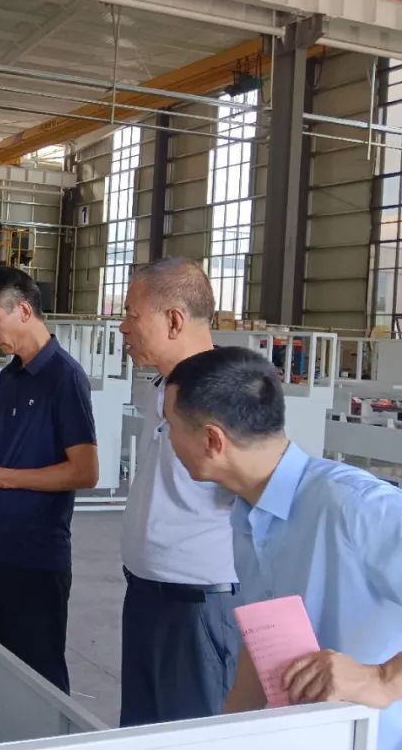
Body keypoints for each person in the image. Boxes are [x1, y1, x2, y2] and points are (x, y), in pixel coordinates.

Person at [163, 347, 402, 749]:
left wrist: (381, 679)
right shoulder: (247, 516)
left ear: (212, 440)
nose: (167, 438)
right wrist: (226, 738)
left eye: (169, 425)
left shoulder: (354, 506)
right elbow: (263, 649)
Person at [0, 266, 98, 694]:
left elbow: (85, 471)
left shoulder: (64, 378)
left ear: (24, 310)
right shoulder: (9, 378)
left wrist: (1, 477)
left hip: (35, 558)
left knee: (39, 680)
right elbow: (6, 455)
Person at [117, 257, 241, 726]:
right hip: (147, 595)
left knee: (191, 732)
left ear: (173, 320)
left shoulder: (230, 394)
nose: (124, 327)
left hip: (197, 607)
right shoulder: (165, 387)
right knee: (142, 730)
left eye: (132, 314)